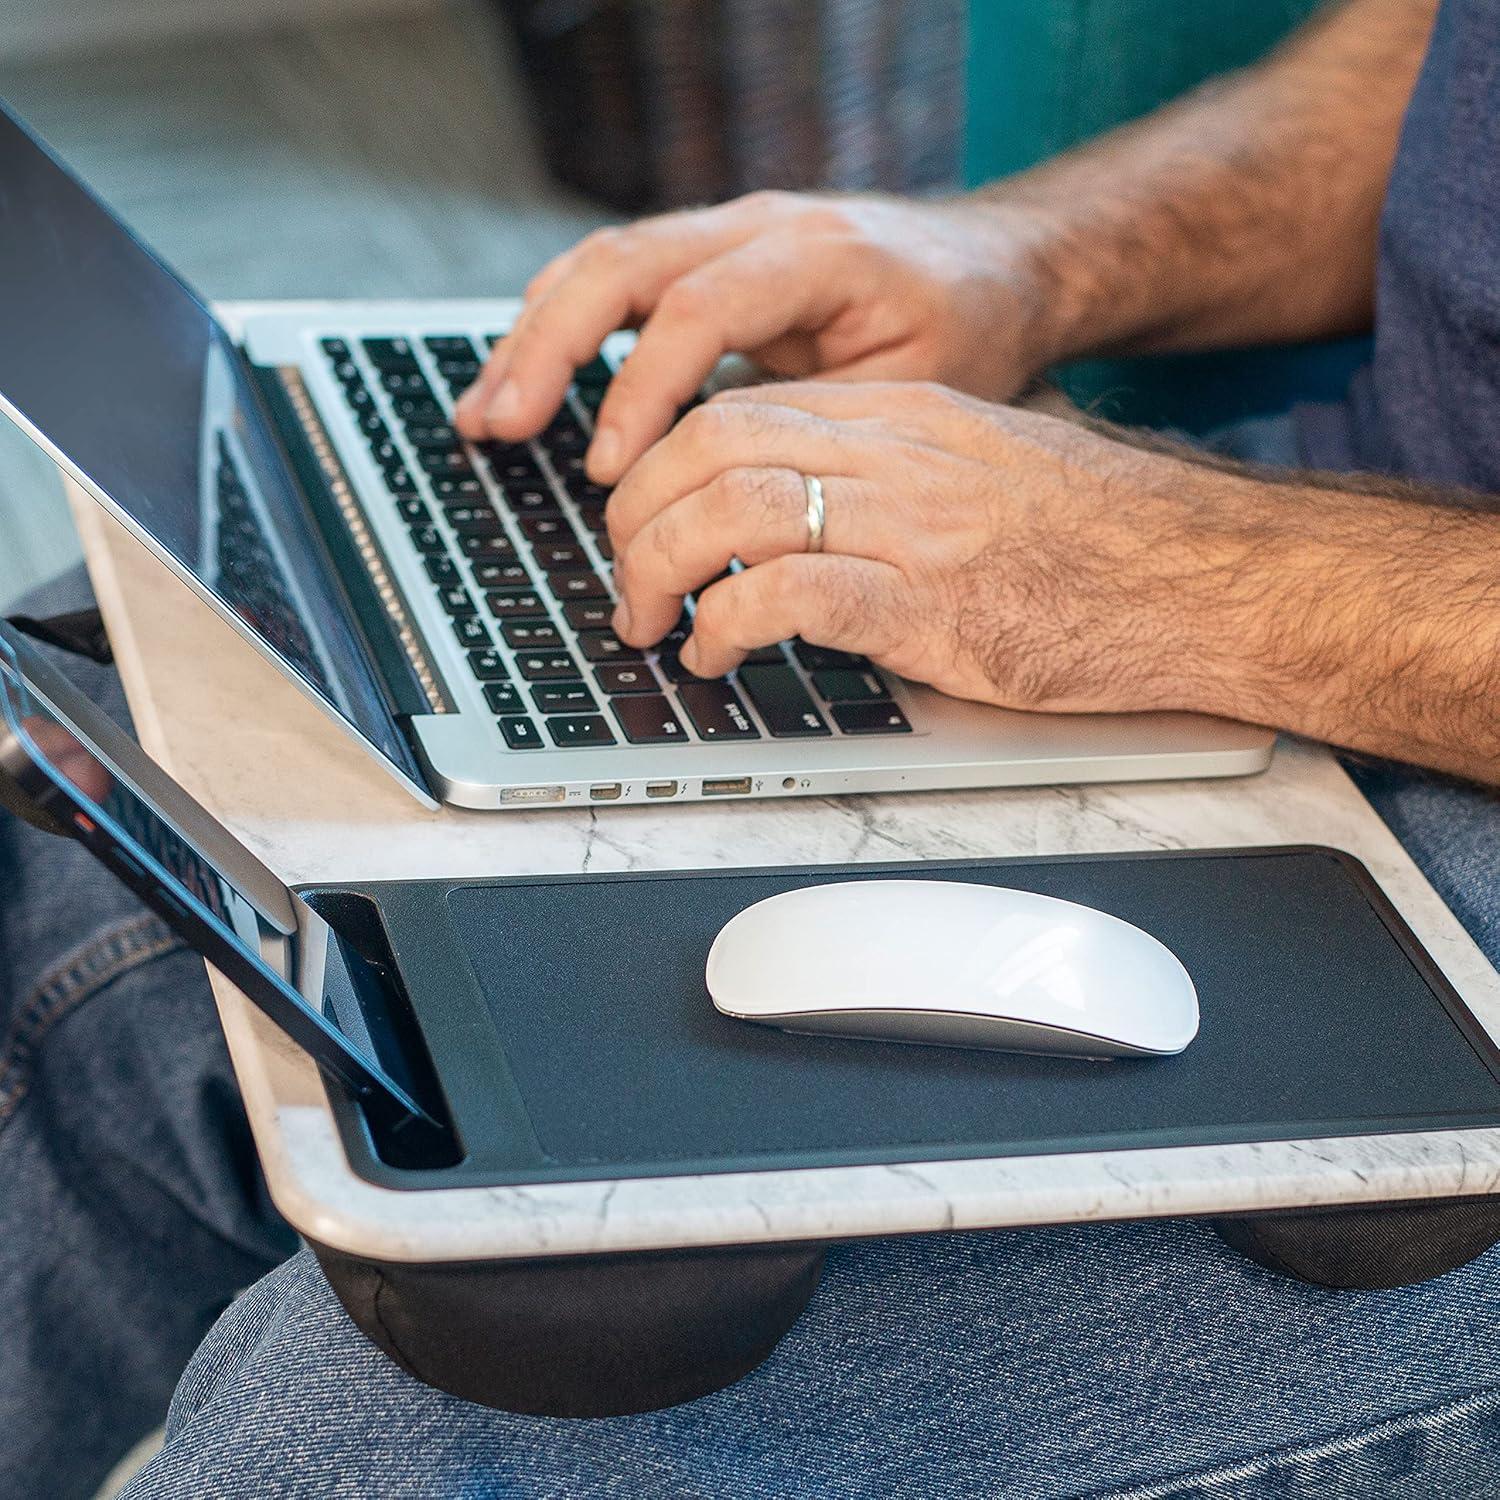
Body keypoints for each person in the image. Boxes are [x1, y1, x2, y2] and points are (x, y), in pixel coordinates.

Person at [9, 0, 1500, 1494]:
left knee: (399, 1437)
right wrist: (1034, 258)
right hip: (1355, 509)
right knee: (94, 842)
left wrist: (1180, 574)